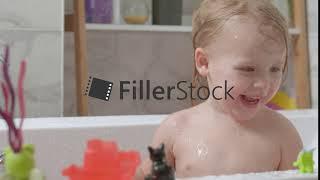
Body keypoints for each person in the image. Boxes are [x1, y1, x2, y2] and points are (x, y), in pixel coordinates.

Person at [135, 0, 302, 178]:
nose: (264, 83)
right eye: (247, 69)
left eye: (275, 69)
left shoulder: (282, 134)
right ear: (204, 62)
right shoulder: (176, 130)